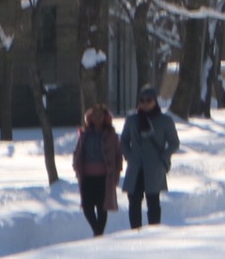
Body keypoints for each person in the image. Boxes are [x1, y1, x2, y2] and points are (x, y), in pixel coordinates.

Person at [120, 85, 180, 231]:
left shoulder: (165, 120)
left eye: (149, 100)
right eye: (142, 101)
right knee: (134, 201)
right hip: (136, 166)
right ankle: (135, 232)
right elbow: (123, 141)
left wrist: (163, 157)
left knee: (153, 201)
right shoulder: (132, 120)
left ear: (155, 101)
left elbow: (174, 143)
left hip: (154, 166)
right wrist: (129, 156)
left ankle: (154, 231)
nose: (145, 104)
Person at [70, 103, 123, 237]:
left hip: (104, 176)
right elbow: (77, 151)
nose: (97, 118)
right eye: (94, 115)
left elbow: (118, 156)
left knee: (102, 206)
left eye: (101, 115)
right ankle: (98, 231)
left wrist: (116, 173)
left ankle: (98, 233)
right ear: (90, 118)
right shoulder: (84, 134)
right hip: (87, 176)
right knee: (87, 207)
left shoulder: (112, 135)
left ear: (106, 117)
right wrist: (76, 165)